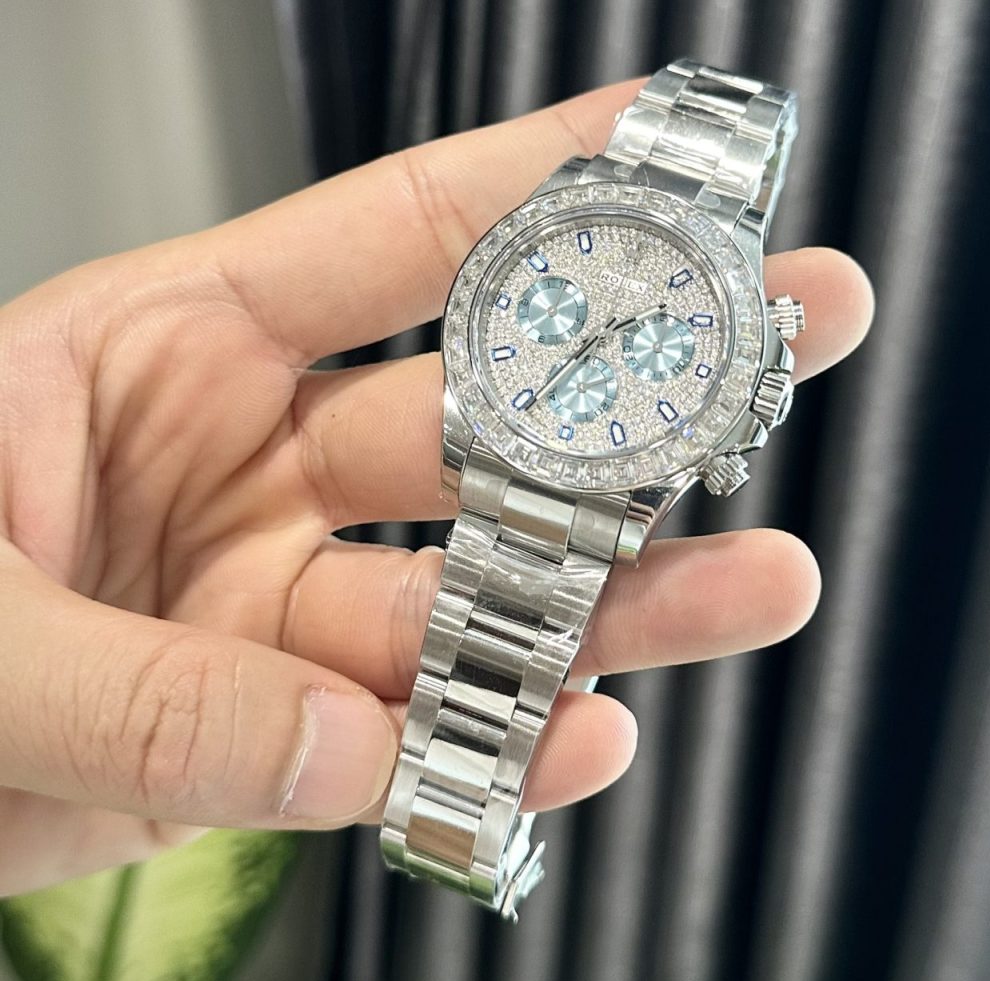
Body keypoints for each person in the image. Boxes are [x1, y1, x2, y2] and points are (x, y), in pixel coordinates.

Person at [0, 80, 873, 896]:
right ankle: (453, 824)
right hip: (492, 432)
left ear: (748, 386)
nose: (601, 333)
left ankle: (458, 829)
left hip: (585, 473)